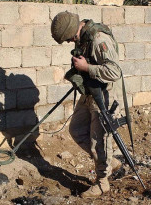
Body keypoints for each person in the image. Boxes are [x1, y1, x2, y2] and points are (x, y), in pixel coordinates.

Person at [51, 11, 123, 198]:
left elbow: (115, 71)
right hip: (90, 91)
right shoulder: (82, 37)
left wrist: (87, 68)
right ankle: (110, 163)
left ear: (75, 29)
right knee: (76, 130)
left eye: (69, 39)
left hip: (104, 95)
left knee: (98, 142)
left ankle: (102, 183)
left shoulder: (99, 39)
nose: (69, 42)